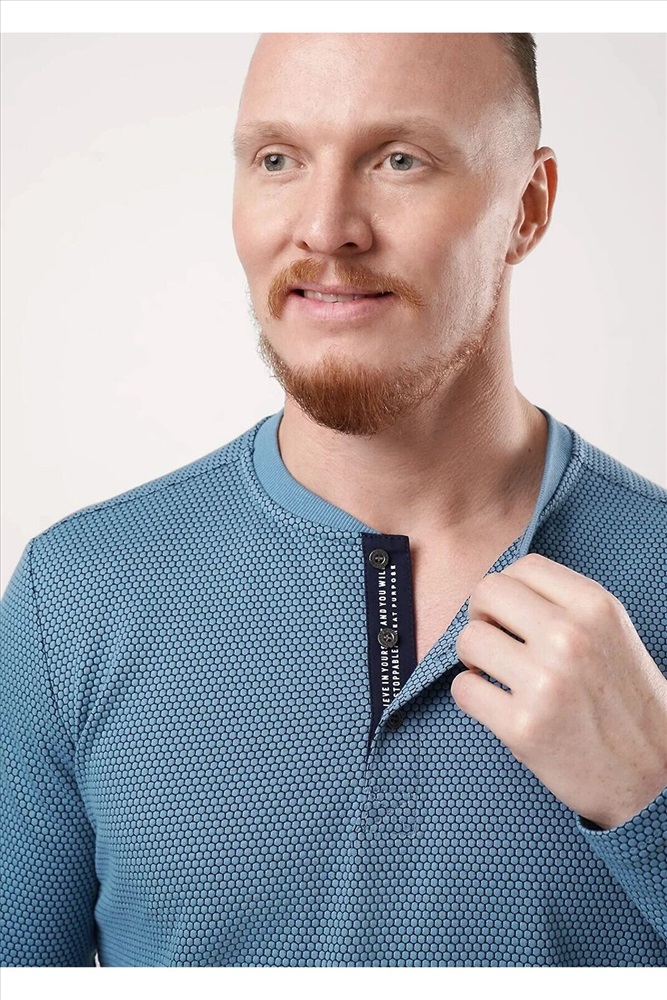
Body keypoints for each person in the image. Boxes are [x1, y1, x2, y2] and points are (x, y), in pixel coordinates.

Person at [1, 32, 665, 968]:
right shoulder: (73, 596)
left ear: (528, 205)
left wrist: (652, 792)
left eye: (399, 160)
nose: (325, 228)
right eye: (278, 159)